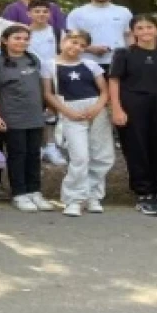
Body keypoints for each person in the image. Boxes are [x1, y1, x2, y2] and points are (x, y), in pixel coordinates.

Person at [108, 15, 157, 216]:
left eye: (149, 27)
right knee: (137, 149)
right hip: (133, 104)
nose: (145, 31)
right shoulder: (124, 54)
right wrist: (116, 108)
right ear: (134, 32)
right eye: (140, 28)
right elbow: (114, 81)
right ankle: (144, 194)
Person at [41, 30, 111, 217]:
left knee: (101, 154)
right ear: (64, 41)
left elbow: (104, 90)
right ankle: (74, 199)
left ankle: (93, 195)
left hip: (95, 109)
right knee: (79, 156)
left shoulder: (90, 64)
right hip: (70, 110)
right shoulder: (50, 64)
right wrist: (67, 112)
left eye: (81, 45)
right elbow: (48, 93)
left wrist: (97, 107)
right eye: (73, 42)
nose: (76, 47)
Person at [0, 25, 52, 213]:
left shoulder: (32, 59)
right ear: (5, 40)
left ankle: (34, 191)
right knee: (18, 155)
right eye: (17, 38)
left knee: (34, 155)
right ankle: (19, 193)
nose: (22, 42)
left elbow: (41, 87)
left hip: (34, 116)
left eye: (25, 39)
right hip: (12, 117)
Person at [27, 0, 66, 167]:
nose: (41, 15)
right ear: (29, 14)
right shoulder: (23, 32)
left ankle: (51, 146)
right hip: (29, 77)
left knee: (51, 111)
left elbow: (65, 52)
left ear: (50, 14)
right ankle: (37, 147)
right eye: (37, 11)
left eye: (45, 11)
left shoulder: (57, 32)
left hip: (52, 76)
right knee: (34, 112)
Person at [66, 0, 132, 74]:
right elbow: (69, 40)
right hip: (87, 62)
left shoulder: (123, 12)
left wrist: (131, 56)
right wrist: (89, 48)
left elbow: (129, 35)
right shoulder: (77, 13)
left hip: (118, 62)